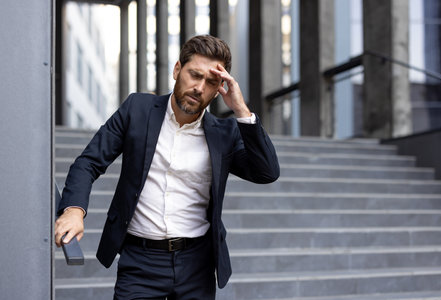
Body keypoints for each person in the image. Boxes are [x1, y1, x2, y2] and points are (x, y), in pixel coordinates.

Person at [55, 35, 279, 300]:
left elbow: (266, 172)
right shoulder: (138, 109)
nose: (199, 87)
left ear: (220, 87)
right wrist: (73, 210)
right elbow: (89, 162)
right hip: (140, 261)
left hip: (197, 263)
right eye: (194, 75)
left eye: (211, 82)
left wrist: (241, 110)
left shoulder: (224, 133)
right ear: (177, 70)